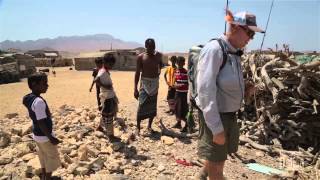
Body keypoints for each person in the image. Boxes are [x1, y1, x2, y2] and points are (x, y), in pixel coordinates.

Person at [195, 10, 264, 180]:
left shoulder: (234, 53)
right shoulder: (215, 50)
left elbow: (225, 84)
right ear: (234, 27)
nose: (250, 38)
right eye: (248, 32)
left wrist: (245, 89)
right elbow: (205, 92)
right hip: (216, 117)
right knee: (217, 168)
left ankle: (200, 177)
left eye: (253, 35)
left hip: (229, 116)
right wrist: (216, 129)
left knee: (218, 156)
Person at [22, 72, 61, 180]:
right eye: (44, 83)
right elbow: (41, 122)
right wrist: (51, 137)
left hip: (37, 135)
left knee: (43, 158)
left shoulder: (28, 98)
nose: (47, 85)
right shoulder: (39, 102)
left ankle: (44, 177)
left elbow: (35, 116)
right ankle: (47, 178)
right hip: (44, 136)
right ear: (34, 84)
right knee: (51, 159)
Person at [134, 38, 163, 135]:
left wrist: (157, 74)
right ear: (146, 46)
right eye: (150, 47)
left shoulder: (158, 55)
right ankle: (138, 127)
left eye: (153, 46)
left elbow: (160, 65)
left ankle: (149, 126)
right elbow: (137, 73)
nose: (152, 49)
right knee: (141, 104)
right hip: (144, 83)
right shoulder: (141, 57)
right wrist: (135, 88)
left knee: (152, 106)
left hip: (154, 84)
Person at [94, 53, 119, 141]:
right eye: (110, 64)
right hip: (107, 97)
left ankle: (100, 127)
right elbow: (96, 80)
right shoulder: (102, 71)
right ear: (105, 62)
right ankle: (110, 135)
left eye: (112, 64)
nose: (112, 66)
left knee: (105, 113)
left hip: (108, 96)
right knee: (109, 116)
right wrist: (105, 86)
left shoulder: (104, 70)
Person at [172, 56, 189, 132]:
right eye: (179, 63)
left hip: (184, 94)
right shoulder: (176, 71)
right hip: (177, 93)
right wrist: (174, 85)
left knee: (183, 109)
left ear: (184, 63)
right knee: (176, 108)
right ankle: (178, 123)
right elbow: (175, 81)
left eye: (182, 63)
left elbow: (188, 84)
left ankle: (186, 125)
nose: (180, 64)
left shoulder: (186, 72)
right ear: (177, 63)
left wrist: (181, 85)